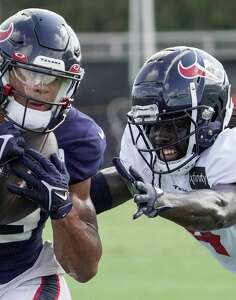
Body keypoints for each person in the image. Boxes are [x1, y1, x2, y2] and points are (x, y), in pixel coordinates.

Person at [0, 8, 106, 299]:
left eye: (55, 81)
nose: (41, 89)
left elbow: (84, 269)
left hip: (24, 280)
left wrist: (62, 209)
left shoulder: (78, 137)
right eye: (29, 73)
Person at [90, 46, 236, 273]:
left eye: (176, 122)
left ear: (211, 116)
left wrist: (162, 199)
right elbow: (120, 183)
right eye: (152, 123)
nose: (159, 135)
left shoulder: (227, 149)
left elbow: (221, 208)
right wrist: (58, 194)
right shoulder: (153, 150)